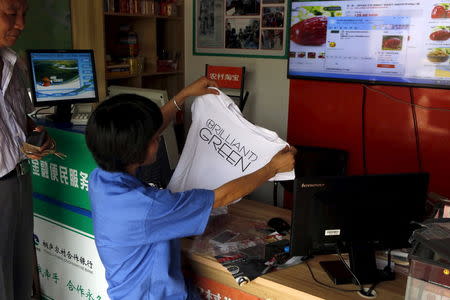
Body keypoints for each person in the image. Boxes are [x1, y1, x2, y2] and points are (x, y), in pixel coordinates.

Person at [85, 77, 296, 300]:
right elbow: (221, 197)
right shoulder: (148, 207)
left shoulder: (101, 178)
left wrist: (183, 96)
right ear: (134, 149)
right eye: (155, 138)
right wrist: (271, 168)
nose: (159, 138)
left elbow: (149, 130)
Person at [0, 0, 52, 299]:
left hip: (20, 178)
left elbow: (22, 119)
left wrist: (35, 133)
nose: (20, 24)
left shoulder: (12, 64)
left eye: (24, 14)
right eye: (10, 14)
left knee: (20, 272)